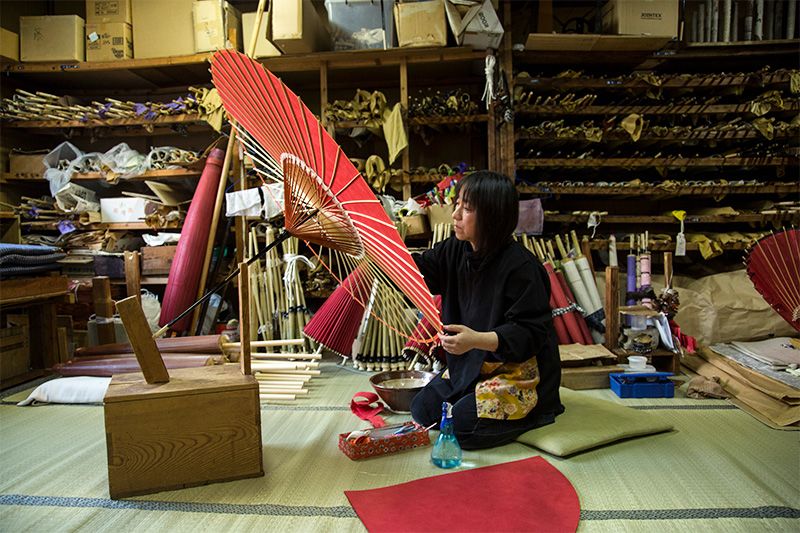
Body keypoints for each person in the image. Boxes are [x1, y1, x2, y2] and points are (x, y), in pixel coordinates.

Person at [410, 170, 564, 450]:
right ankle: (471, 398)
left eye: (467, 208)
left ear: (492, 216)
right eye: (457, 204)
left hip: (517, 371)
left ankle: (534, 414)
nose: (455, 214)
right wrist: (379, 248)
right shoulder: (455, 249)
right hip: (471, 366)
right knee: (423, 410)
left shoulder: (523, 268)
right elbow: (418, 272)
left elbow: (530, 333)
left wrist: (476, 340)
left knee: (463, 428)